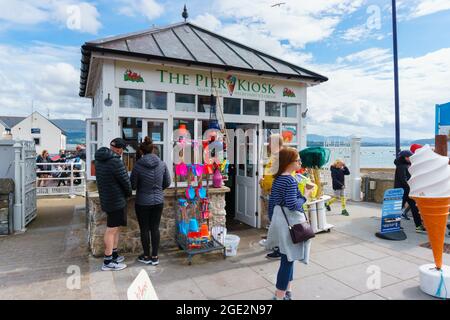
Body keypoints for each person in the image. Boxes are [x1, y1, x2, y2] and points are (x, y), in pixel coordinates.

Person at [266, 148, 312, 300]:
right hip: (290, 224)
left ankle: (287, 291)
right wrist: (305, 195)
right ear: (288, 163)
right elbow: (293, 205)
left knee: (289, 258)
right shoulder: (290, 180)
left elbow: (272, 203)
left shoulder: (278, 178)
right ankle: (279, 296)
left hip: (280, 222)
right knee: (287, 260)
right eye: (298, 160)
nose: (300, 162)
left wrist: (274, 221)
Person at [130, 137, 171, 265]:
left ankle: (146, 256)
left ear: (142, 151)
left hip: (142, 202)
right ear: (153, 149)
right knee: (155, 228)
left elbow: (133, 186)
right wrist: (158, 190)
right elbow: (167, 182)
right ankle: (155, 257)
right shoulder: (162, 164)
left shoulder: (137, 166)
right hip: (158, 201)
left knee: (144, 229)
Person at [95, 138, 132, 271]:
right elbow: (125, 181)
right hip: (116, 200)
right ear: (119, 149)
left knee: (115, 228)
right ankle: (108, 261)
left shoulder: (100, 160)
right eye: (122, 149)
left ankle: (114, 254)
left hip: (107, 198)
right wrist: (129, 194)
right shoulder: (116, 161)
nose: (122, 152)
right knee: (111, 230)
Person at [259, 134, 284, 259]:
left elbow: (278, 177)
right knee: (273, 220)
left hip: (277, 194)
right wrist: (264, 182)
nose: (268, 145)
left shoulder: (280, 157)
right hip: (272, 192)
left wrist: (264, 182)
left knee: (277, 221)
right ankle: (274, 243)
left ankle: (279, 249)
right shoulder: (275, 156)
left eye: (269, 142)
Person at [394, 150, 426, 233]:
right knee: (398, 208)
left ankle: (419, 226)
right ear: (404, 157)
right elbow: (403, 180)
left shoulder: (406, 165)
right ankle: (394, 225)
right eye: (409, 157)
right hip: (402, 191)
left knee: (415, 208)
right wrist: (412, 186)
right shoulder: (401, 166)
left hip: (408, 191)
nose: (410, 158)